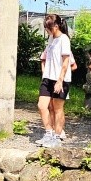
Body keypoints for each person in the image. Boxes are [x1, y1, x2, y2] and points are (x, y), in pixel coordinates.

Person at [36, 13, 73, 146]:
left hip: (60, 79)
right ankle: (49, 133)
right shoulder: (51, 38)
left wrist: (60, 81)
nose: (47, 30)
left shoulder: (64, 39)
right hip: (48, 77)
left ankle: (57, 137)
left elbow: (66, 62)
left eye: (48, 28)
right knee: (42, 105)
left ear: (56, 26)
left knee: (58, 109)